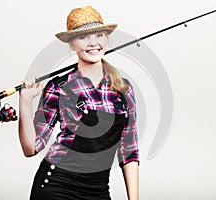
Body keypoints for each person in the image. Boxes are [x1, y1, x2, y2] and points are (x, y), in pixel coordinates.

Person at [18, 5, 139, 200]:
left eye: (99, 35)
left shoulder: (123, 89)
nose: (93, 43)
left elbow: (129, 150)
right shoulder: (59, 87)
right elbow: (31, 148)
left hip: (98, 191)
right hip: (57, 186)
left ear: (106, 39)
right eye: (83, 37)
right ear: (72, 44)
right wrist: (25, 102)